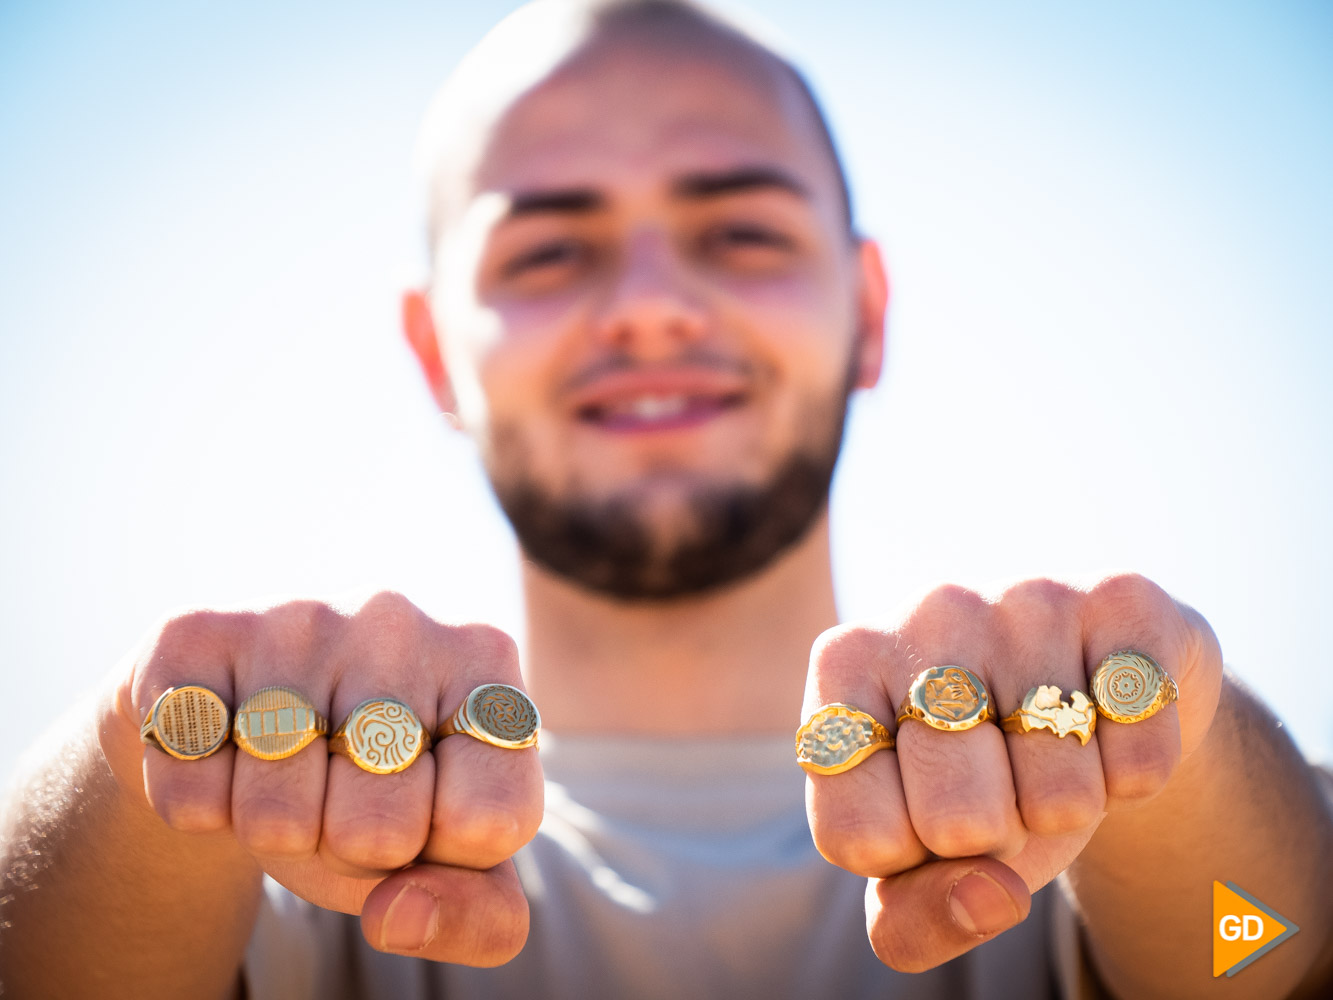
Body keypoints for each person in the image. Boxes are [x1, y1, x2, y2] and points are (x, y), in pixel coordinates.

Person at [1, 1, 1331, 997]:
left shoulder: (1089, 845)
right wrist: (145, 755)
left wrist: (1173, 751)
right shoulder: (282, 873)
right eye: (549, 248)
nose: (645, 308)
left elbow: (1264, 948)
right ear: (434, 354)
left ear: (865, 315)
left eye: (741, 232)